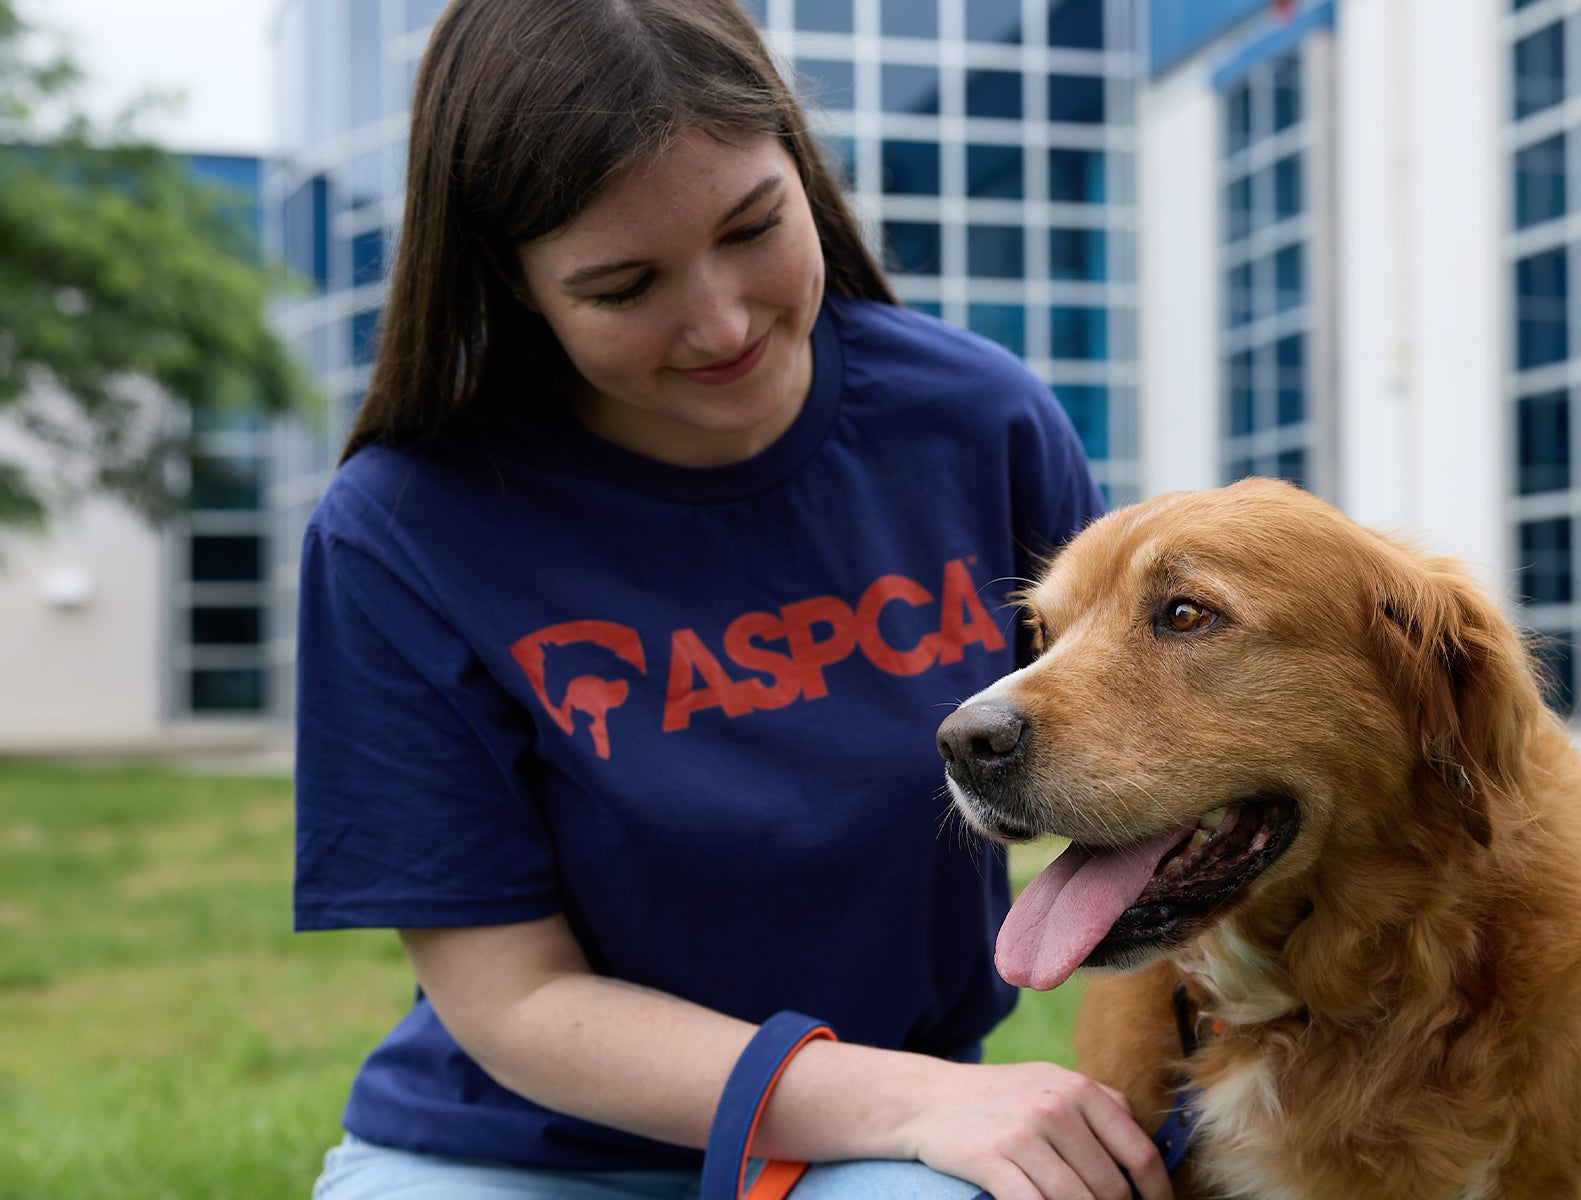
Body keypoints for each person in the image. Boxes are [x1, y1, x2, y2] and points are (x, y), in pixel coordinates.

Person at [292, 2, 1172, 1198]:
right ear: (514, 281)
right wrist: (916, 1097)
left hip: (872, 1152)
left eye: (755, 226)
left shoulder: (981, 423)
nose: (719, 322)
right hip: (515, 1157)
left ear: (802, 166)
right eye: (621, 286)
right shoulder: (403, 528)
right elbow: (512, 999)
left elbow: (1153, 793)